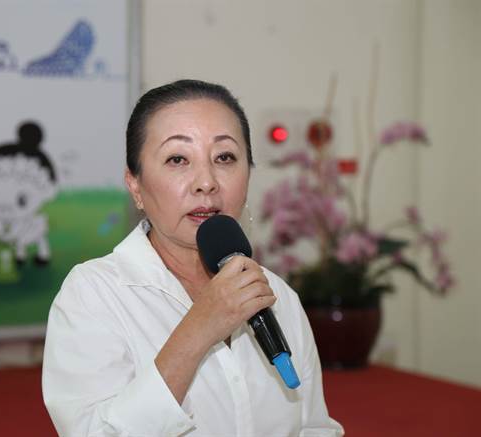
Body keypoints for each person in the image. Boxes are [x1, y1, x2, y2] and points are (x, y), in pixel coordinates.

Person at [42, 79, 344, 436]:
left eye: (225, 157)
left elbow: (314, 428)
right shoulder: (93, 295)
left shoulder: (278, 296)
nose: (206, 182)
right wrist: (199, 328)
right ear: (135, 185)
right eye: (178, 159)